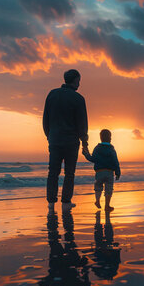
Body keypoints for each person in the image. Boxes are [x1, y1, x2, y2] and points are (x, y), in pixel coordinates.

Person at [43, 69, 88, 211]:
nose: (79, 83)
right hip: (71, 142)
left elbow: (45, 119)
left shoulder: (52, 94)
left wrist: (49, 136)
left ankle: (51, 203)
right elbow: (82, 123)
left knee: (53, 172)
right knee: (69, 173)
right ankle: (66, 202)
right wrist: (85, 142)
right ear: (75, 80)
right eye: (79, 80)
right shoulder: (78, 99)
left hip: (55, 140)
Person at [82, 129, 121, 212]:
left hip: (99, 172)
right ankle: (107, 206)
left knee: (98, 187)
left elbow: (92, 159)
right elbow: (115, 161)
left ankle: (97, 201)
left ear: (100, 138)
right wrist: (118, 172)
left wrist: (86, 153)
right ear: (110, 138)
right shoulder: (111, 149)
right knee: (109, 189)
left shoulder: (97, 148)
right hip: (109, 172)